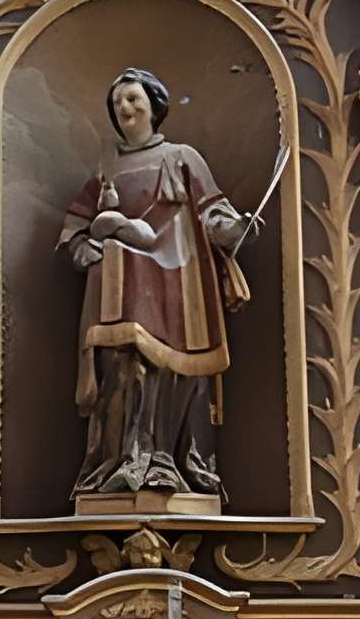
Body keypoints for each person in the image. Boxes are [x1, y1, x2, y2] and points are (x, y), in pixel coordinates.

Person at [59, 68, 250, 499]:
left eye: (132, 98)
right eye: (117, 103)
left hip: (178, 280)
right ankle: (123, 458)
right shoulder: (107, 166)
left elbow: (212, 211)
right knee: (124, 368)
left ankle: (167, 459)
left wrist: (233, 228)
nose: (124, 107)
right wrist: (79, 246)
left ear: (154, 104)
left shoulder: (182, 156)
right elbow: (76, 224)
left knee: (174, 372)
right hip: (118, 285)